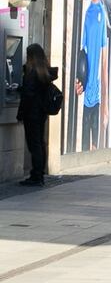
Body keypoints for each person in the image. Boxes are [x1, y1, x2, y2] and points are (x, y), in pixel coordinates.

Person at [75, 0, 109, 152]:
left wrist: (105, 104)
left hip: (96, 93)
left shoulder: (101, 13)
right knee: (84, 140)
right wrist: (77, 82)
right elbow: (80, 53)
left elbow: (104, 62)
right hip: (85, 90)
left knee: (94, 143)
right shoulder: (86, 11)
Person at [17, 44, 57, 186]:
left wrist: (20, 114)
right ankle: (39, 174)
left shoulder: (31, 73)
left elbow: (27, 96)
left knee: (34, 145)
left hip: (31, 114)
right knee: (40, 143)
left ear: (31, 57)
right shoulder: (44, 73)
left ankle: (36, 176)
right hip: (41, 114)